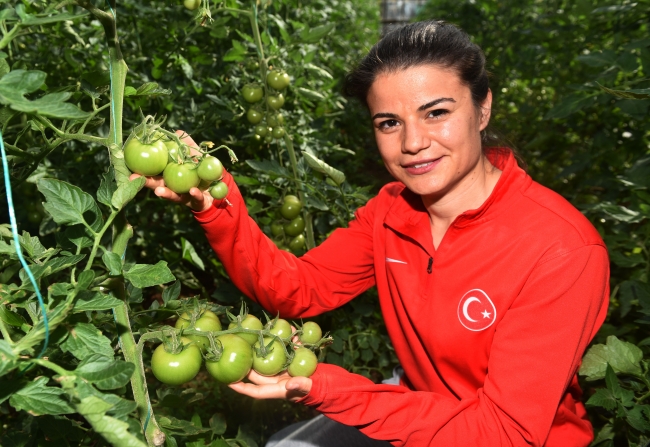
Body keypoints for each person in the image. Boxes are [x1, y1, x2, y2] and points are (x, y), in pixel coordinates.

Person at [139, 20, 609, 447]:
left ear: (483, 109)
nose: (412, 143)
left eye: (436, 112)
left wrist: (328, 388)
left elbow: (503, 431)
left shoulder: (561, 248)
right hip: (422, 414)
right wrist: (216, 205)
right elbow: (295, 290)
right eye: (389, 122)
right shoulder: (390, 212)